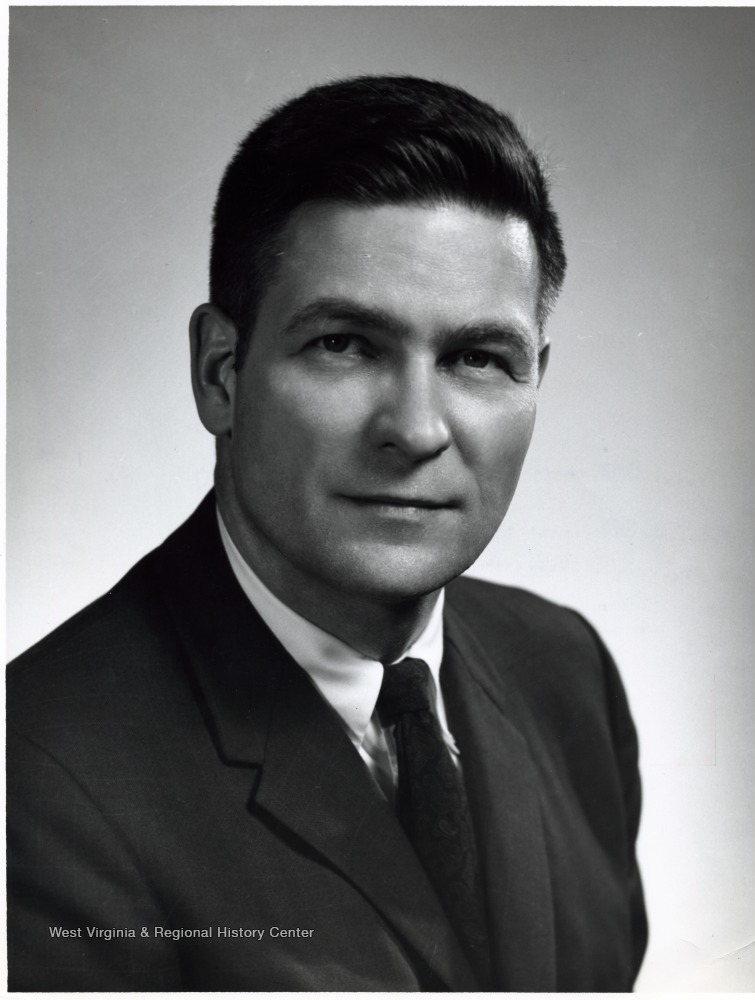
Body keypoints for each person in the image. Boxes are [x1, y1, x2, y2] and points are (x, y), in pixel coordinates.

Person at [7, 75, 647, 991]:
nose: (415, 429)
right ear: (221, 373)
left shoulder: (566, 673)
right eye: (344, 344)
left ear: (534, 379)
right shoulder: (37, 779)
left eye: (477, 358)